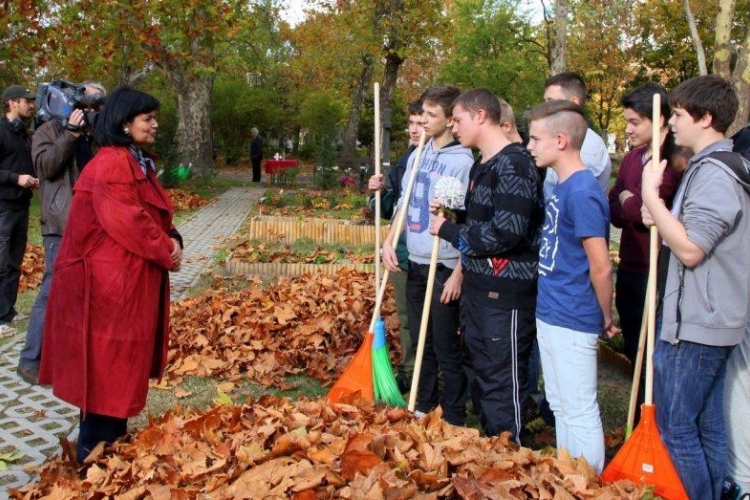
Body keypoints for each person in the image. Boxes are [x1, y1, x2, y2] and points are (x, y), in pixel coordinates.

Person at [38, 86, 183, 463]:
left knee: (116, 371)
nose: (154, 125)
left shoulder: (134, 159)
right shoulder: (114, 164)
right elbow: (132, 223)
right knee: (106, 373)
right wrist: (168, 250)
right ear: (124, 124)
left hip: (121, 286)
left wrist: (173, 236)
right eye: (147, 119)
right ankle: (94, 463)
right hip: (106, 291)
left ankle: (109, 452)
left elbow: (150, 213)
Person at [641, 75, 750, 500]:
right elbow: (688, 232)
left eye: (680, 115)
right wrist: (662, 216)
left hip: (699, 325)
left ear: (706, 119)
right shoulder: (712, 168)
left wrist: (651, 196)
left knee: (677, 428)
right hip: (705, 319)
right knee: (706, 425)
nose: (672, 123)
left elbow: (691, 250)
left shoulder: (717, 173)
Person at [429, 89, 544, 442]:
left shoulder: (515, 164)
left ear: (481, 116)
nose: (453, 126)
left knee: (501, 382)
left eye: (458, 119)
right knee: (480, 376)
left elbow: (506, 233)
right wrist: (457, 214)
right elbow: (485, 220)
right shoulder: (484, 164)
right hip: (479, 291)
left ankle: (512, 459)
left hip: (505, 296)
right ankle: (491, 457)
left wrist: (448, 229)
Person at [526, 99, 618, 473]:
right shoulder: (562, 186)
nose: (529, 146)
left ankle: (589, 482)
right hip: (550, 309)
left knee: (579, 408)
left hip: (573, 315)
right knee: (560, 403)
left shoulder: (582, 192)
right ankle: (569, 476)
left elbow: (600, 264)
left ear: (560, 140)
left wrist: (605, 315)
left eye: (535, 138)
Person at [382, 84, 473, 426]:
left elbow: (469, 223)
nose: (423, 121)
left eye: (431, 115)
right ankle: (423, 403)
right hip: (417, 261)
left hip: (444, 264)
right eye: (423, 114)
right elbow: (404, 205)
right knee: (421, 338)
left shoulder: (462, 161)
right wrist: (390, 241)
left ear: (451, 120)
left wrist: (459, 272)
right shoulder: (418, 152)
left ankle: (453, 414)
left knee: (445, 342)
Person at [16, 81, 106, 385]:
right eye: (89, 104)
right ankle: (30, 360)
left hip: (93, 223)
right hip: (61, 224)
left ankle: (69, 356)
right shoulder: (49, 130)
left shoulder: (94, 135)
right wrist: (69, 133)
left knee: (85, 293)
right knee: (52, 290)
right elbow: (45, 167)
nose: (91, 111)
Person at [607, 84, 682, 420]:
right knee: (635, 344)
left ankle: (661, 426)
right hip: (633, 267)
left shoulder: (675, 159)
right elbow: (616, 204)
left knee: (658, 356)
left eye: (635, 122)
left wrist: (632, 201)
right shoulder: (634, 158)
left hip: (662, 269)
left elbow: (659, 207)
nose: (629, 129)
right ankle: (639, 426)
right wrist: (633, 202)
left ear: (661, 119)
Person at [368, 100, 423, 391]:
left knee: (429, 318)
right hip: (402, 252)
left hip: (431, 253)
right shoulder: (405, 160)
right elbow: (391, 210)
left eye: (420, 123)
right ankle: (410, 368)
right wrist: (378, 193)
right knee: (405, 316)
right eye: (411, 123)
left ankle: (425, 372)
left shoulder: (438, 158)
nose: (415, 130)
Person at [0, 85, 39, 337]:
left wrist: (32, 179)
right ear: (12, 103)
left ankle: (8, 311)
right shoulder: (1, 131)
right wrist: (17, 178)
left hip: (21, 206)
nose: (32, 105)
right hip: (2, 206)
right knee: (1, 262)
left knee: (14, 262)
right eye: (27, 101)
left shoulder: (24, 134)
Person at [542, 72, 612, 199]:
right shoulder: (563, 139)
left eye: (551, 101)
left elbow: (577, 200)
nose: (546, 107)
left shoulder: (587, 146)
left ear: (574, 102)